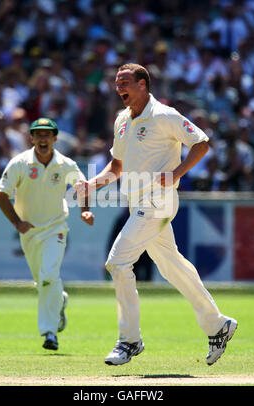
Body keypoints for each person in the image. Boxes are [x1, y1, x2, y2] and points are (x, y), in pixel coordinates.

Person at [75, 63, 237, 366]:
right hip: (137, 204)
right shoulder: (122, 121)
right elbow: (117, 166)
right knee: (171, 265)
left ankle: (129, 340)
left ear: (142, 85)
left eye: (125, 82)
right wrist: (92, 184)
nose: (119, 87)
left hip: (159, 202)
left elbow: (201, 143)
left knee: (117, 262)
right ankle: (218, 325)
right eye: (116, 83)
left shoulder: (164, 115)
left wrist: (176, 173)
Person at [0, 117, 94, 351]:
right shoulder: (20, 163)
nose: (42, 139)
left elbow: (82, 186)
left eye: (47, 135)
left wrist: (85, 211)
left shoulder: (65, 164)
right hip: (29, 231)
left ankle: (50, 333)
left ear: (54, 138)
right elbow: (2, 194)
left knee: (49, 274)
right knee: (43, 281)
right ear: (32, 138)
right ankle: (59, 300)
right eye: (38, 134)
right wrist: (17, 223)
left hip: (55, 227)